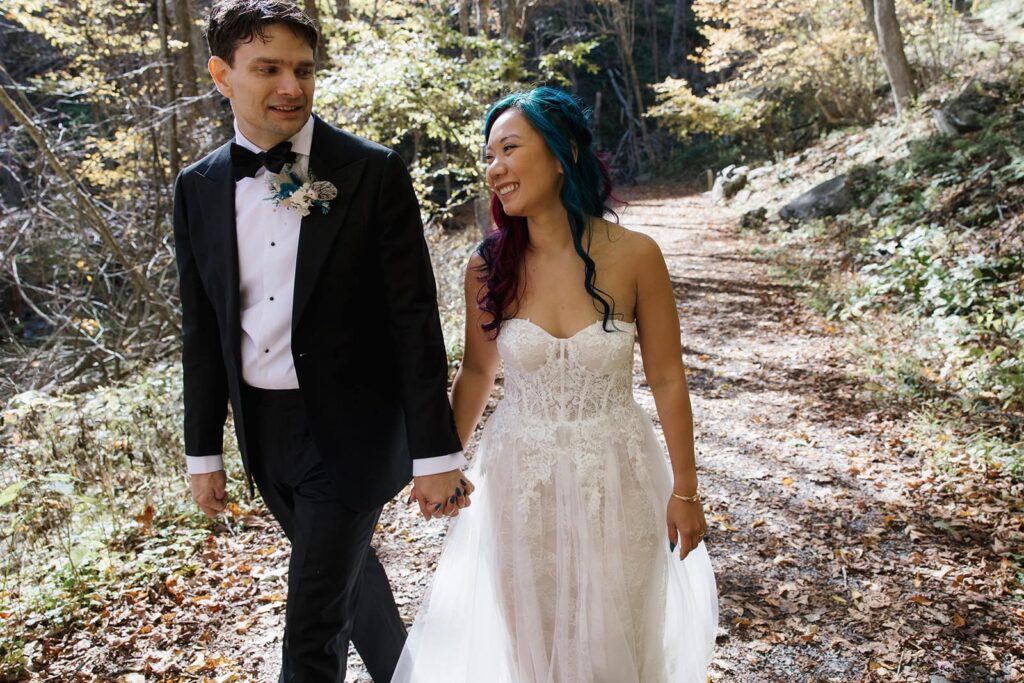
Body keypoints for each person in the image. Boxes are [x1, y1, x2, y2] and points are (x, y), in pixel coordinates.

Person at [172, 1, 472, 680]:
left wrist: (436, 450)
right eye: (268, 68)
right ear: (222, 74)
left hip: (351, 429)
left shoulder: (370, 172)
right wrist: (202, 448)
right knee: (348, 584)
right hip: (264, 431)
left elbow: (413, 321)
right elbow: (203, 326)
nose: (291, 87)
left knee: (311, 630)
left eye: (303, 69)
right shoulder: (198, 187)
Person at [394, 87, 719, 682]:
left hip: (619, 474)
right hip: (522, 479)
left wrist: (687, 490)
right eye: (488, 156)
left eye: (509, 149)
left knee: (621, 638)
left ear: (562, 150)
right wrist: (438, 464)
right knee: (535, 648)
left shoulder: (638, 256)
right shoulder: (487, 264)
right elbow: (476, 372)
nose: (494, 169)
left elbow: (669, 378)